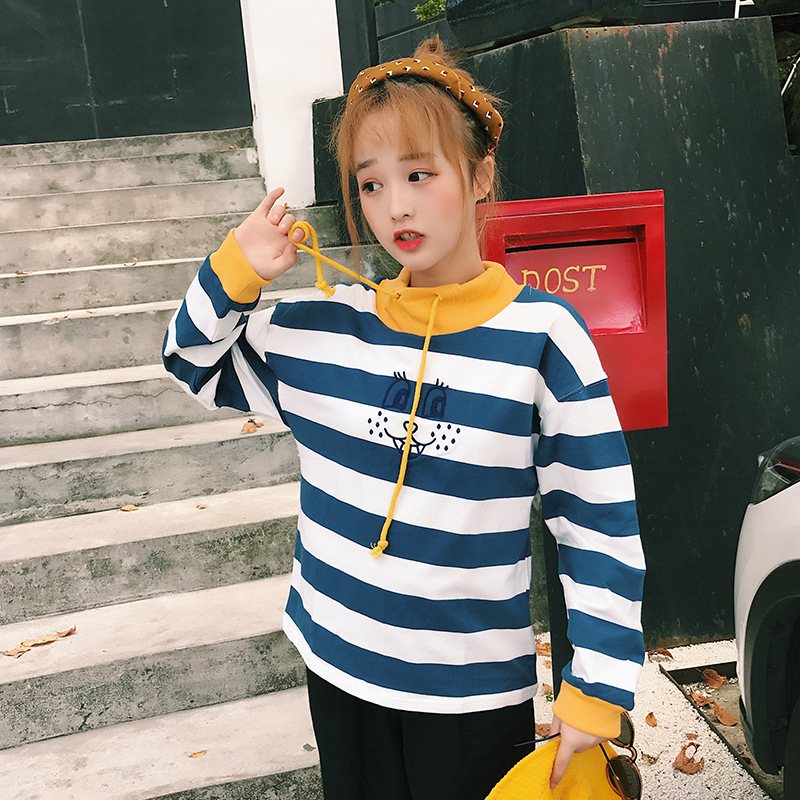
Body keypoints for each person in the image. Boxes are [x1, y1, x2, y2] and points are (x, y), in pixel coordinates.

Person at [163, 35, 645, 800]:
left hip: (470, 694)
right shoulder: (328, 331)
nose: (397, 206)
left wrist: (594, 691)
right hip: (337, 666)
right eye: (372, 183)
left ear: (480, 174)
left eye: (420, 174)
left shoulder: (544, 339)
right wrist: (235, 268)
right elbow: (192, 360)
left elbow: (597, 522)